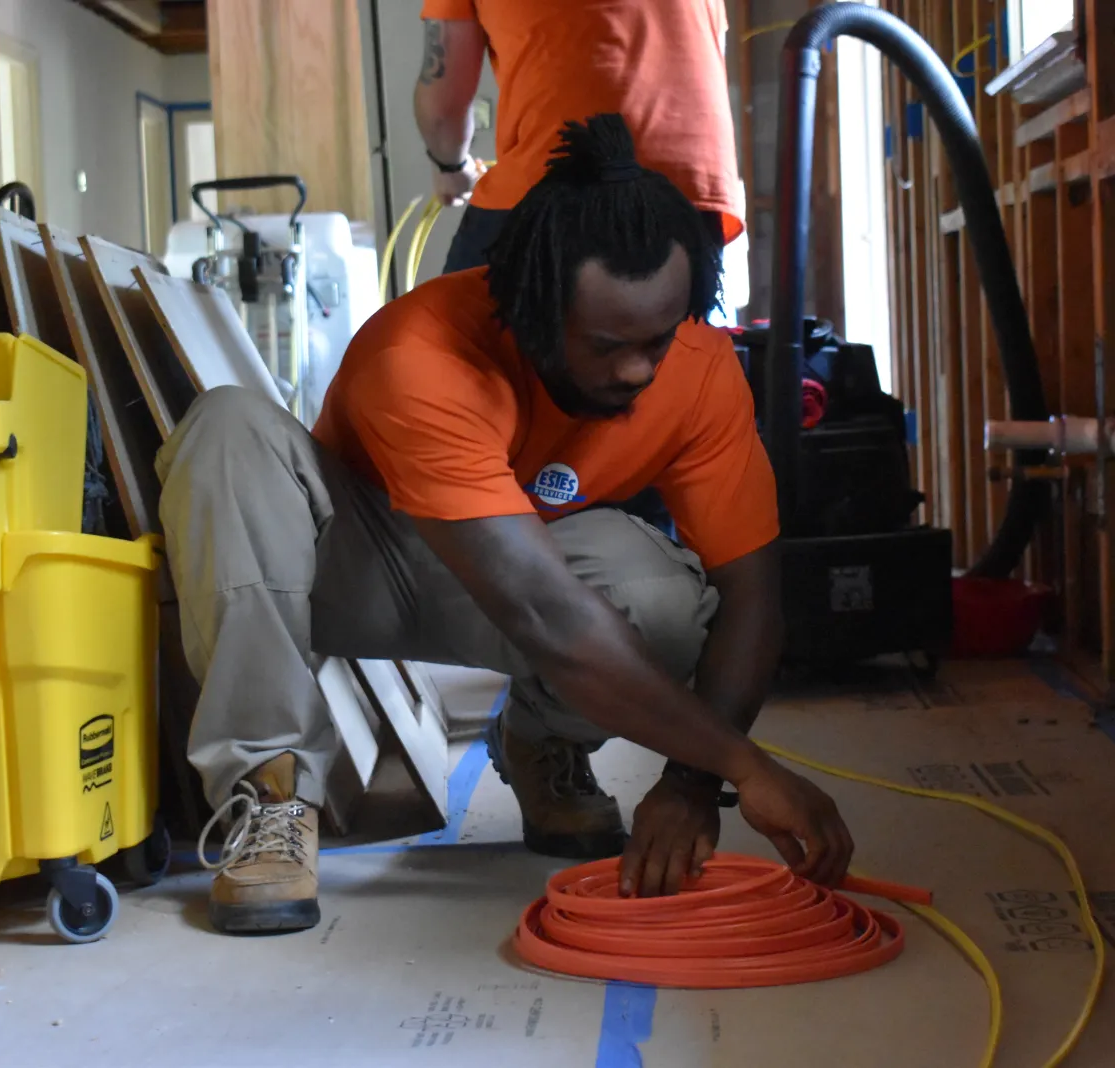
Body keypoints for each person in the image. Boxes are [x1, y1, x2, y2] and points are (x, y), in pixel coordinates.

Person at [156, 115, 852, 936]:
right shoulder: (423, 349)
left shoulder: (697, 371)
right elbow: (545, 615)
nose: (637, 369)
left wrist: (691, 783)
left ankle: (541, 745)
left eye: (657, 340)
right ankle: (268, 795)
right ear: (526, 307)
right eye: (605, 344)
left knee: (662, 598)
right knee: (231, 427)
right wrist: (742, 763)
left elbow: (752, 592)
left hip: (514, 567)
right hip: (355, 563)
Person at [412, 0, 743, 274]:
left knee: (449, 340)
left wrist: (451, 168)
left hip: (561, 185)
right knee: (672, 349)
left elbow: (443, 109)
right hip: (697, 192)